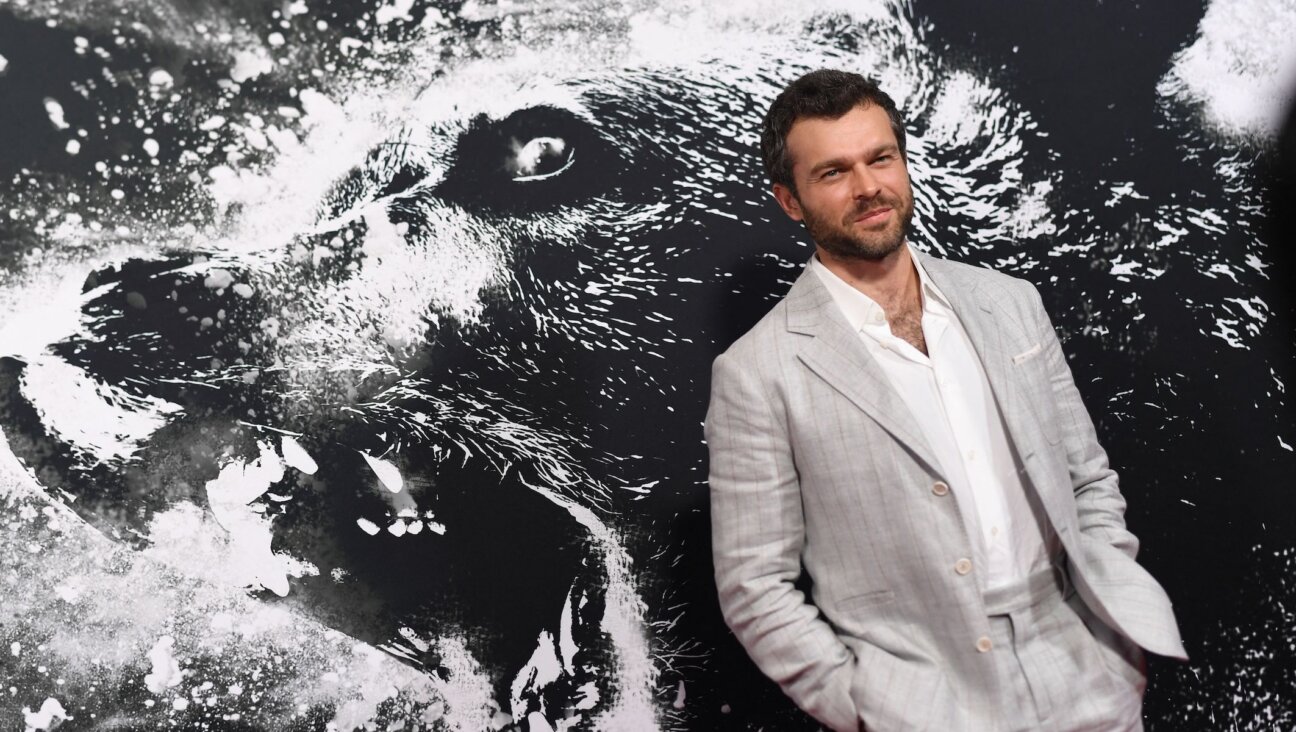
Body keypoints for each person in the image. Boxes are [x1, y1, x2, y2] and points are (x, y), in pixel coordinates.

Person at [705, 69, 1186, 732]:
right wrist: (868, 708)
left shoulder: (1010, 302)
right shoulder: (757, 372)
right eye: (834, 172)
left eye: (882, 158)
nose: (869, 187)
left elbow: (1087, 476)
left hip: (1084, 663)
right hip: (926, 696)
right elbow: (754, 589)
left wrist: (1111, 631)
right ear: (790, 200)